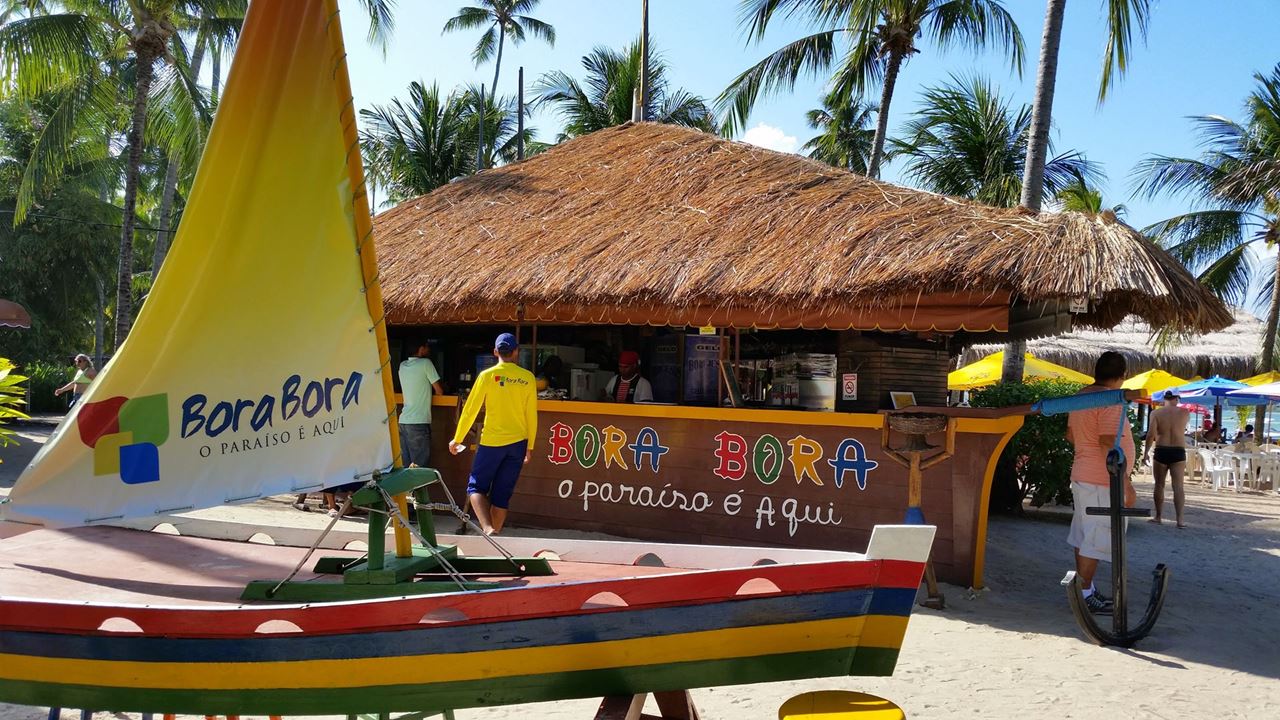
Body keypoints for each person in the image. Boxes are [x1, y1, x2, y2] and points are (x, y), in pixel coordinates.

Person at [1065, 351, 1137, 616]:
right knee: (1096, 537)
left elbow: (1070, 435)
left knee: (1085, 534)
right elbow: (1108, 441)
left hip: (1083, 473)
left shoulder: (1081, 396)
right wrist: (1125, 483)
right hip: (1102, 479)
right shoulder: (1110, 399)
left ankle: (1086, 588)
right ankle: (1083, 594)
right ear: (1122, 376)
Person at [448, 332, 537, 535]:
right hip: (518, 444)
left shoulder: (487, 376)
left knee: (475, 488)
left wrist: (458, 438)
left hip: (492, 442)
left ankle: (488, 528)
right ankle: (496, 536)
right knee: (502, 496)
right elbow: (531, 415)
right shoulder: (528, 378)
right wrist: (530, 446)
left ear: (496, 352)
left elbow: (470, 410)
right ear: (516, 352)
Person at [1143, 390, 1190, 528]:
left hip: (1161, 450)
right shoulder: (1185, 413)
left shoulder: (1156, 413)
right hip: (1178, 451)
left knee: (1159, 485)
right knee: (1178, 487)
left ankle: (1158, 517)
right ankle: (1180, 520)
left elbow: (1151, 434)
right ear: (1177, 398)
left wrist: (1146, 453)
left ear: (1164, 398)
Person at [398, 338, 444, 468]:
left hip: (403, 421)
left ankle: (406, 483)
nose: (428, 349)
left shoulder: (402, 365)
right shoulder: (426, 363)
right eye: (427, 346)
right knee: (419, 468)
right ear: (421, 349)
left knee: (406, 467)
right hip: (418, 422)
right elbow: (439, 391)